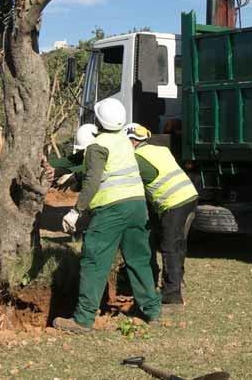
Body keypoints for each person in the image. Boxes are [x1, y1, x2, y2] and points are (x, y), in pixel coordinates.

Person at [52, 98, 161, 333]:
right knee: (139, 259)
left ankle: (83, 319)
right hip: (137, 206)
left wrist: (75, 211)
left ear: (98, 119)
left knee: (94, 261)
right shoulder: (124, 141)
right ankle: (152, 311)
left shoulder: (97, 146)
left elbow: (92, 180)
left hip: (112, 210)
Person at [125, 123, 199, 307]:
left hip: (173, 202)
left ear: (132, 141)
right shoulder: (159, 149)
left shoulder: (137, 158)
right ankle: (177, 281)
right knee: (179, 243)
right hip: (190, 196)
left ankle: (172, 294)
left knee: (169, 246)